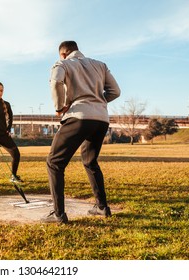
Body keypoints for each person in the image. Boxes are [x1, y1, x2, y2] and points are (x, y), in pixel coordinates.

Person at [42, 41, 121, 224]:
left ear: (62, 54)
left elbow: (56, 82)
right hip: (101, 120)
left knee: (54, 163)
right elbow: (115, 91)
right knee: (90, 161)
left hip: (78, 116)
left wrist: (60, 107)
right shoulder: (100, 65)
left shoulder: (62, 64)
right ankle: (102, 207)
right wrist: (98, 102)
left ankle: (59, 214)